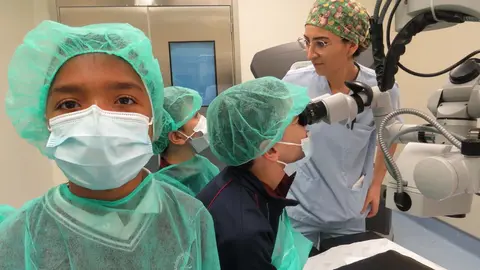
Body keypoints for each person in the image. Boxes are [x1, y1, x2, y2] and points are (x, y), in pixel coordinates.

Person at [0, 20, 220, 269]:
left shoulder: (190, 218)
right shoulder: (20, 236)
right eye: (69, 104)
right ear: (45, 122)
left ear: (154, 121)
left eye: (124, 99)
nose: (97, 120)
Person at [283, 0, 402, 248]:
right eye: (307, 41)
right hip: (299, 203)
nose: (310, 53)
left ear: (351, 45)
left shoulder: (379, 91)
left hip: (348, 206)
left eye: (321, 43)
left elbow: (389, 138)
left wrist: (376, 184)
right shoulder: (295, 82)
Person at [197, 77, 314, 270]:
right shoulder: (244, 230)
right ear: (270, 150)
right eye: (299, 121)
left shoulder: (244, 184)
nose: (307, 130)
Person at [153, 86, 219, 196]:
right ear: (177, 137)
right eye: (195, 116)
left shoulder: (205, 165)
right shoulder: (163, 190)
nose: (202, 118)